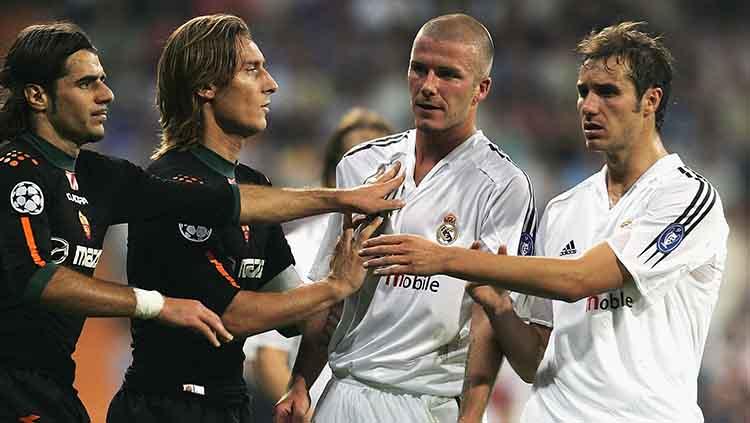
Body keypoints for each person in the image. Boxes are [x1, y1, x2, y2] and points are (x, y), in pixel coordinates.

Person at [0, 22, 401, 423]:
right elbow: (36, 277)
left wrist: (361, 265)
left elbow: (231, 212)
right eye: (87, 83)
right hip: (148, 405)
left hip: (189, 401)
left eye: (103, 80)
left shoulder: (103, 178)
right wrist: (156, 305)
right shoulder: (16, 170)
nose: (107, 94)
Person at [359, 21, 730, 422]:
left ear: (650, 100)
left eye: (608, 92)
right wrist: (499, 308)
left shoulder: (687, 197)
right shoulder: (563, 209)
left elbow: (579, 280)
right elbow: (533, 362)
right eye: (582, 92)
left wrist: (446, 259)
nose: (589, 106)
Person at [275, 14, 537, 423]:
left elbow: (488, 314)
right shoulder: (361, 166)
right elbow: (333, 295)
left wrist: (470, 418)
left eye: (448, 74)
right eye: (419, 68)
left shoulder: (503, 185)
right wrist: (301, 382)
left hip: (426, 402)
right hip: (344, 392)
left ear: (481, 89)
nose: (428, 86)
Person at [244, 107, 394, 422]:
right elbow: (268, 354)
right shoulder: (297, 248)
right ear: (333, 173)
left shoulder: (420, 244)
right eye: (355, 158)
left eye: (380, 158)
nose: (370, 172)